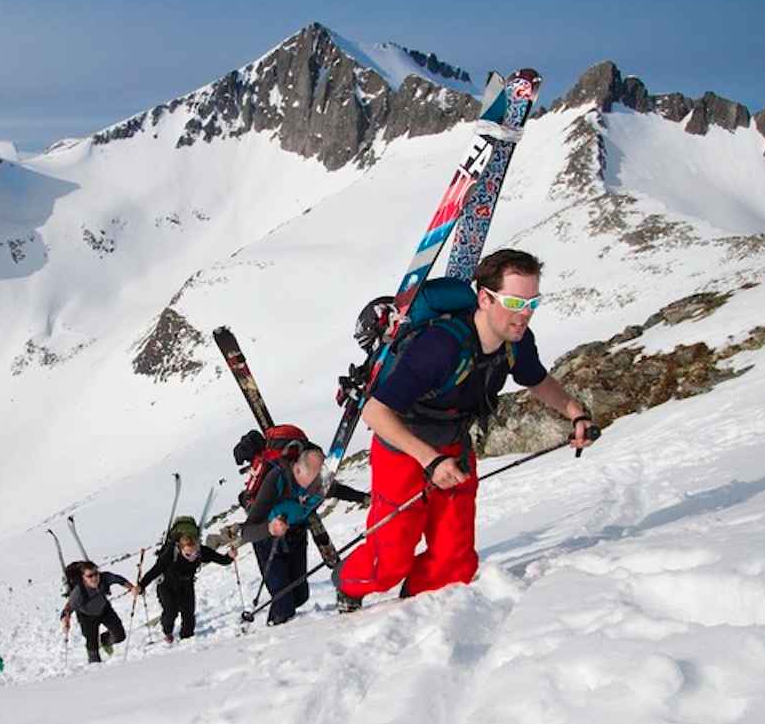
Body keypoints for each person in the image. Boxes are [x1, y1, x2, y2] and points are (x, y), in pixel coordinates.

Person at [333, 249, 596, 612]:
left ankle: (416, 610)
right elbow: (376, 413)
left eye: (533, 301)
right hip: (404, 451)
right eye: (515, 301)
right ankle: (346, 583)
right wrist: (429, 460)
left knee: (455, 563)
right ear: (485, 299)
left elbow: (536, 379)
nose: (525, 312)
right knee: (388, 565)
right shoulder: (440, 347)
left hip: (454, 448)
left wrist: (575, 412)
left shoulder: (515, 342)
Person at [232, 443, 367, 625]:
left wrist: (364, 498)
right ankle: (272, 637)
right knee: (284, 599)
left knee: (300, 595)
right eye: (313, 483)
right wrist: (270, 529)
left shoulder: (317, 481)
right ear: (297, 471)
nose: (317, 488)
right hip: (269, 540)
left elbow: (337, 490)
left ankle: (282, 626)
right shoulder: (275, 481)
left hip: (296, 534)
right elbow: (248, 531)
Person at [138, 533, 235, 643]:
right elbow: (155, 571)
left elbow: (221, 559)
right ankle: (167, 632)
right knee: (171, 611)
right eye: (188, 554)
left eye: (196, 553)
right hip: (166, 586)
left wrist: (230, 556)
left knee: (188, 612)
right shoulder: (170, 554)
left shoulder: (202, 552)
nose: (193, 557)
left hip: (186, 585)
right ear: (180, 549)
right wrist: (141, 586)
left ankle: (187, 638)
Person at [60, 561, 139, 663]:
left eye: (96, 574)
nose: (94, 578)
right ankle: (95, 670)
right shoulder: (79, 592)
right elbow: (68, 608)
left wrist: (132, 588)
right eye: (90, 576)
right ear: (83, 577)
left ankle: (105, 641)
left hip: (104, 610)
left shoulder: (105, 578)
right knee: (93, 647)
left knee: (119, 636)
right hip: (86, 617)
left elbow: (119, 579)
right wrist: (66, 621)